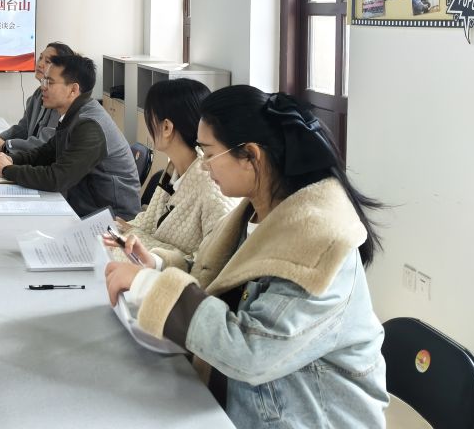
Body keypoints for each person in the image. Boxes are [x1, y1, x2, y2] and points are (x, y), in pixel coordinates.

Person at [104, 87, 387, 426]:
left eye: (209, 153)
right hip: (248, 403)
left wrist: (150, 287)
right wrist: (158, 265)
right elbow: (224, 280)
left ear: (251, 155)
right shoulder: (257, 213)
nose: (203, 165)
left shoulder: (320, 244)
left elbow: (251, 350)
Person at [0, 54, 141, 218]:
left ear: (73, 89)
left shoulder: (89, 125)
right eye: (44, 81)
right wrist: (11, 159)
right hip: (86, 207)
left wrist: (8, 170)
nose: (43, 87)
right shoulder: (74, 115)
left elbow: (58, 179)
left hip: (111, 220)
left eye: (49, 82)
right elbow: (45, 153)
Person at [114, 79, 238, 267]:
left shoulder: (213, 185)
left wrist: (135, 235)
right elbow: (149, 222)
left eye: (150, 117)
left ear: (166, 127)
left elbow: (207, 265)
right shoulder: (175, 170)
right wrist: (127, 230)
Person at [0, 41, 74, 153]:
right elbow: (23, 129)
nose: (40, 64)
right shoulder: (38, 94)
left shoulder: (61, 101)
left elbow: (46, 143)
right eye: (40, 58)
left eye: (48, 61)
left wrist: (5, 145)